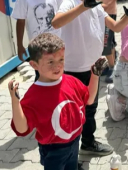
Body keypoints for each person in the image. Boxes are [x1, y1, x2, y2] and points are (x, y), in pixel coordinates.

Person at [51, 0, 128, 156]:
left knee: (90, 108)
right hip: (72, 71)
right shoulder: (70, 3)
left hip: (93, 69)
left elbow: (116, 26)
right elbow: (56, 23)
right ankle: (71, 156)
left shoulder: (97, 6)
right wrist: (83, 6)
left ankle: (88, 143)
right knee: (73, 113)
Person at [9, 33, 108, 170]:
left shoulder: (71, 81)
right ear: (34, 65)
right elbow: (22, 129)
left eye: (61, 59)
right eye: (50, 62)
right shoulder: (33, 96)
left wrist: (95, 75)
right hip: (53, 149)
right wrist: (15, 101)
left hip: (75, 142)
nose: (57, 66)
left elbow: (89, 100)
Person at [11, 0, 64, 65]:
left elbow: (64, 17)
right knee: (41, 74)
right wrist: (20, 45)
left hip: (58, 45)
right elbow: (20, 23)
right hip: (38, 48)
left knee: (60, 72)